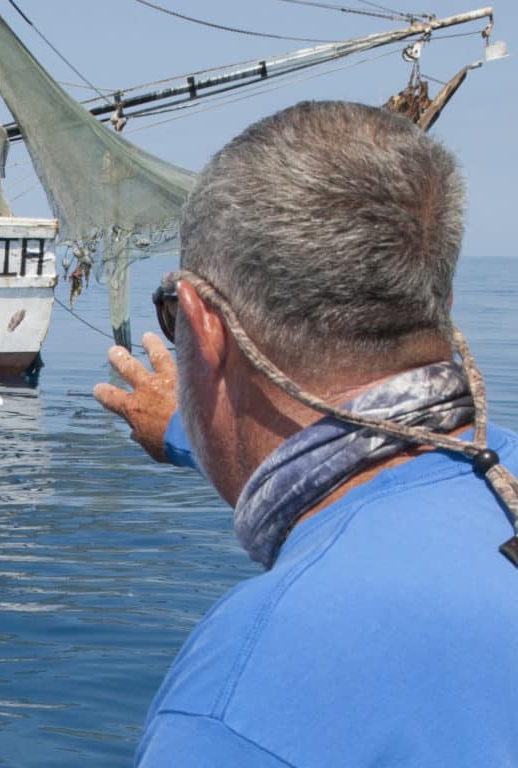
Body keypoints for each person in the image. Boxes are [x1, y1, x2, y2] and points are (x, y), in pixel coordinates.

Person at [93, 100, 518, 767]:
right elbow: (364, 472)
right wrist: (186, 431)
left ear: (204, 327)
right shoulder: (501, 478)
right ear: (439, 304)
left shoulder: (245, 693)